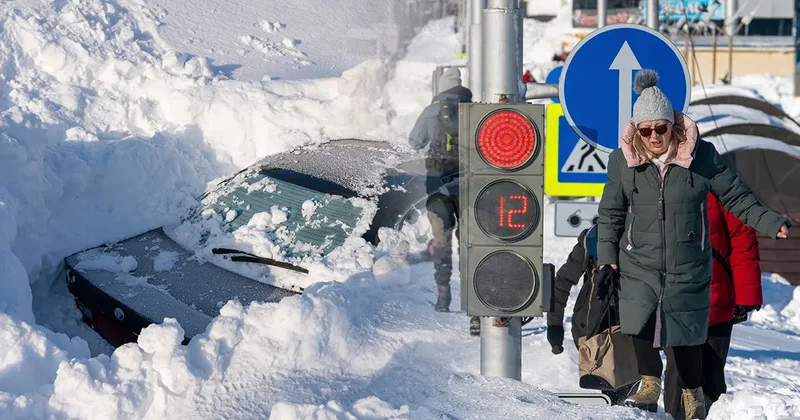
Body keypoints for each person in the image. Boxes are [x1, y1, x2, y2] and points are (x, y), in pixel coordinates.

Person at [596, 69, 790, 419]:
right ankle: (649, 380)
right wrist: (606, 258)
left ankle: (691, 390)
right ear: (636, 131)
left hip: (688, 260)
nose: (654, 136)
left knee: (684, 331)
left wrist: (771, 222)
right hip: (639, 257)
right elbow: (609, 213)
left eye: (661, 127)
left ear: (673, 125)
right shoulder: (622, 162)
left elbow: (737, 197)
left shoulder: (701, 156)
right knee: (638, 315)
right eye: (646, 130)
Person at [663, 192, 763, 419]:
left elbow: (743, 241)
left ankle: (713, 415)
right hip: (673, 298)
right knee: (677, 371)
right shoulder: (658, 183)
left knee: (712, 370)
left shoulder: (722, 187)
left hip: (716, 300)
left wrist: (745, 297)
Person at [408, 68, 480, 334]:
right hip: (470, 187)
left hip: (438, 188)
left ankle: (443, 296)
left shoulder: (431, 110)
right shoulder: (473, 110)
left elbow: (414, 143)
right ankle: (474, 309)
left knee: (442, 242)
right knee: (470, 246)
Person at [547, 221, 638, 405]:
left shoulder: (649, 235)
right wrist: (554, 324)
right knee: (611, 396)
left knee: (631, 393)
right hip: (594, 330)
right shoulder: (591, 238)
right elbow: (563, 281)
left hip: (631, 326)